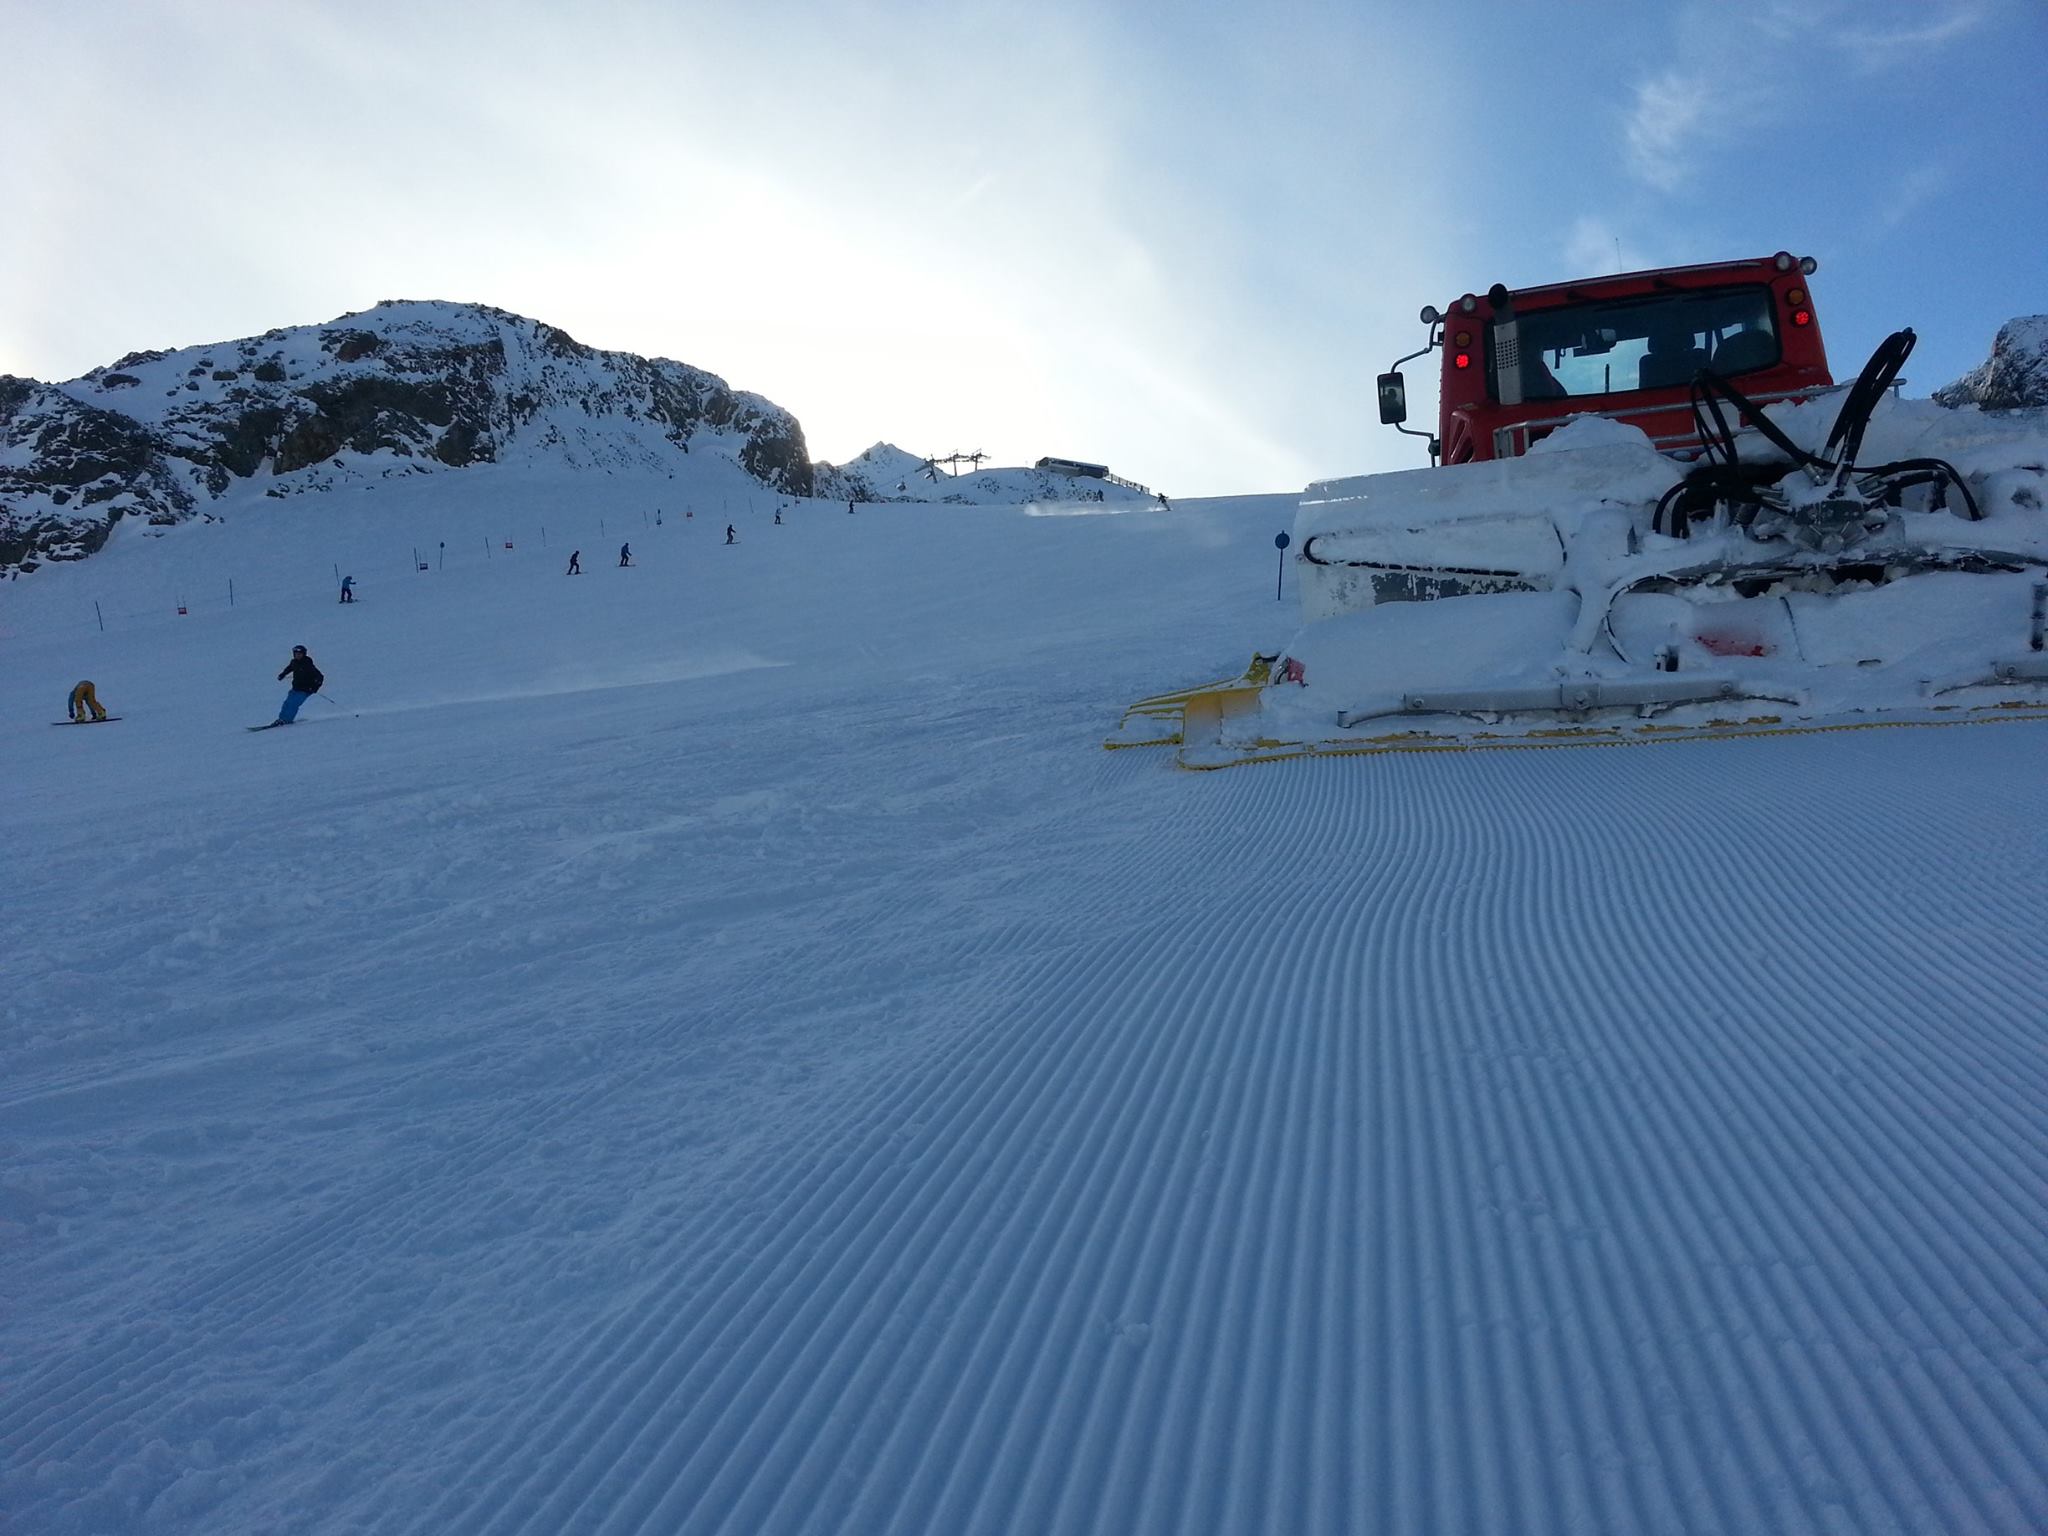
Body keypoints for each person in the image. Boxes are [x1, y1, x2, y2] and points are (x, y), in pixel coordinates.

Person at [274, 645, 324, 725]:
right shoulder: (294, 662)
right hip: (295, 688)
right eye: (296, 654)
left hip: (305, 690)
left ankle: (287, 720)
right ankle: (281, 719)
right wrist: (283, 674)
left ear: (304, 654)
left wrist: (314, 688)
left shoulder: (307, 664)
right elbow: (289, 668)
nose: (298, 655)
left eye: (300, 654)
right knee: (287, 703)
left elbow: (320, 677)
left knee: (293, 704)